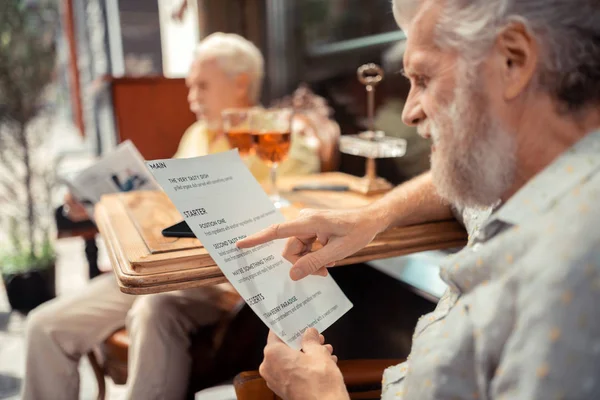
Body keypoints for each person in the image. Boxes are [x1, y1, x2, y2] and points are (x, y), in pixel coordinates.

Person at [236, 0, 600, 398]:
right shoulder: (520, 176)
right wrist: (373, 216)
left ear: (512, 60)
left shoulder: (569, 272)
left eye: (423, 79)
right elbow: (451, 189)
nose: (408, 112)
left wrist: (319, 393)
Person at [22, 33, 320, 400]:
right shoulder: (196, 135)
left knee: (152, 310)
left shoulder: (275, 137)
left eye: (202, 86)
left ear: (240, 82)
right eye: (190, 86)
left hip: (219, 282)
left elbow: (300, 200)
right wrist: (101, 203)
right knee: (43, 327)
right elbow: (165, 206)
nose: (191, 96)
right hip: (159, 271)